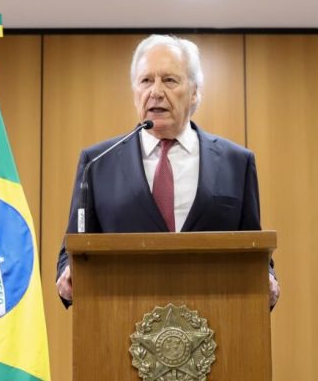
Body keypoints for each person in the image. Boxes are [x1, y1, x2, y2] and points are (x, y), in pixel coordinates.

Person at [55, 34, 280, 310]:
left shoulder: (236, 163)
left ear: (195, 91)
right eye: (146, 80)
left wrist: (267, 278)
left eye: (170, 80)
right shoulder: (98, 163)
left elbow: (254, 249)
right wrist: (68, 277)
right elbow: (71, 253)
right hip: (125, 325)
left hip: (214, 325)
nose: (156, 92)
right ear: (135, 90)